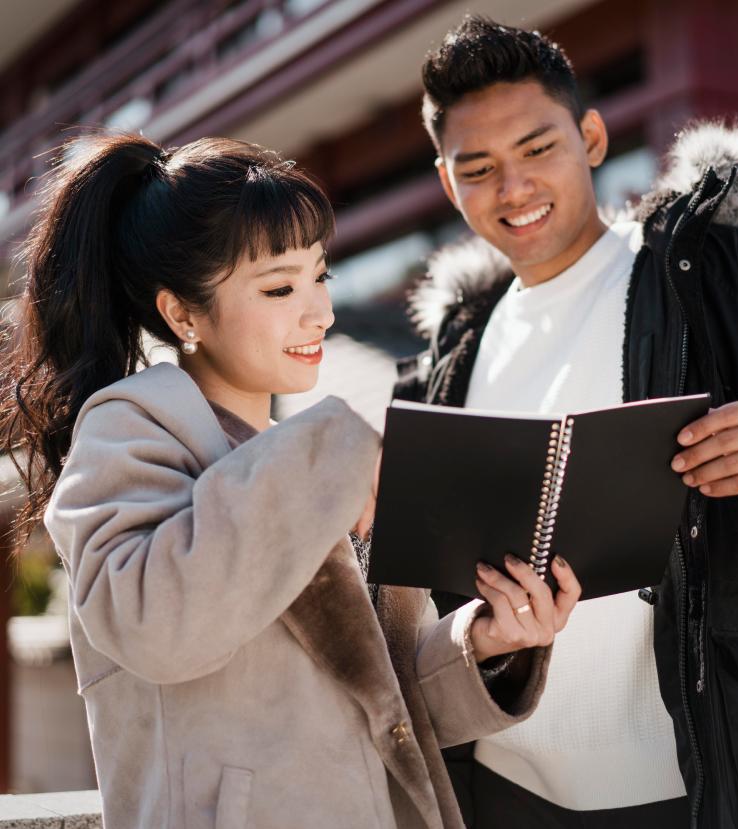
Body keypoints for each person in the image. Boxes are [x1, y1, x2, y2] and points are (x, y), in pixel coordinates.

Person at [0, 132, 583, 829]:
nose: (321, 313)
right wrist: (334, 449)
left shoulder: (308, 461)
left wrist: (487, 641)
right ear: (182, 313)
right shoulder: (131, 430)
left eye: (320, 276)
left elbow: (381, 698)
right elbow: (154, 626)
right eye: (280, 287)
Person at [394, 15, 738, 829]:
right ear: (446, 182)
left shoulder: (722, 279)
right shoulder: (449, 356)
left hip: (700, 778)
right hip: (503, 787)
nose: (514, 189)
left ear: (593, 138)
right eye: (479, 168)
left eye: (538, 150)